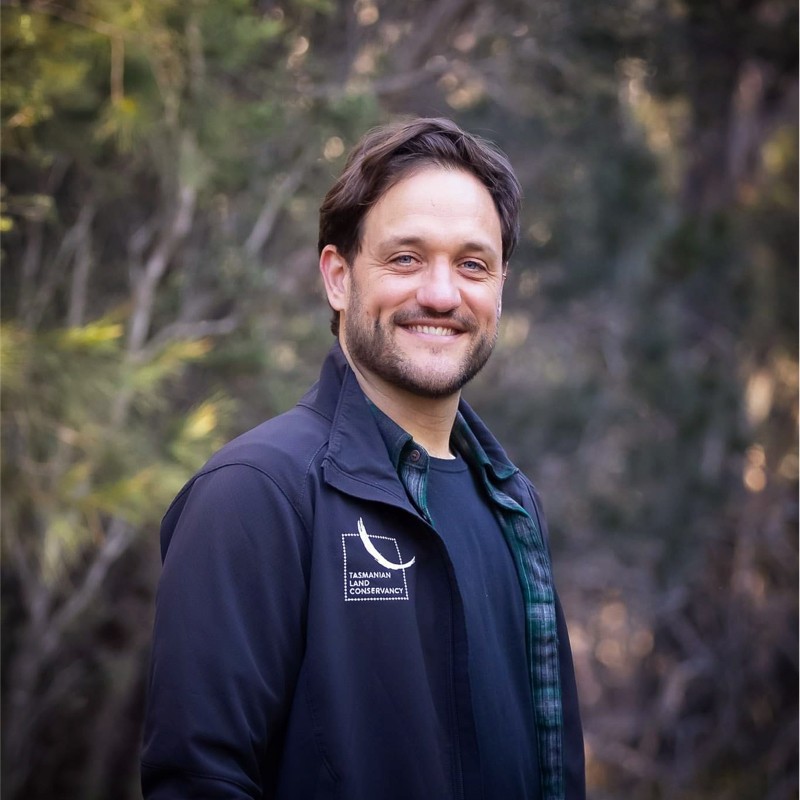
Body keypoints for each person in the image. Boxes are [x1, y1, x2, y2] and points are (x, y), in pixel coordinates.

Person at [141, 117, 585, 800]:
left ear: (499, 288)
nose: (441, 294)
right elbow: (200, 782)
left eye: (472, 264)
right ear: (338, 277)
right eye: (406, 258)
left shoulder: (511, 506)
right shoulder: (256, 493)